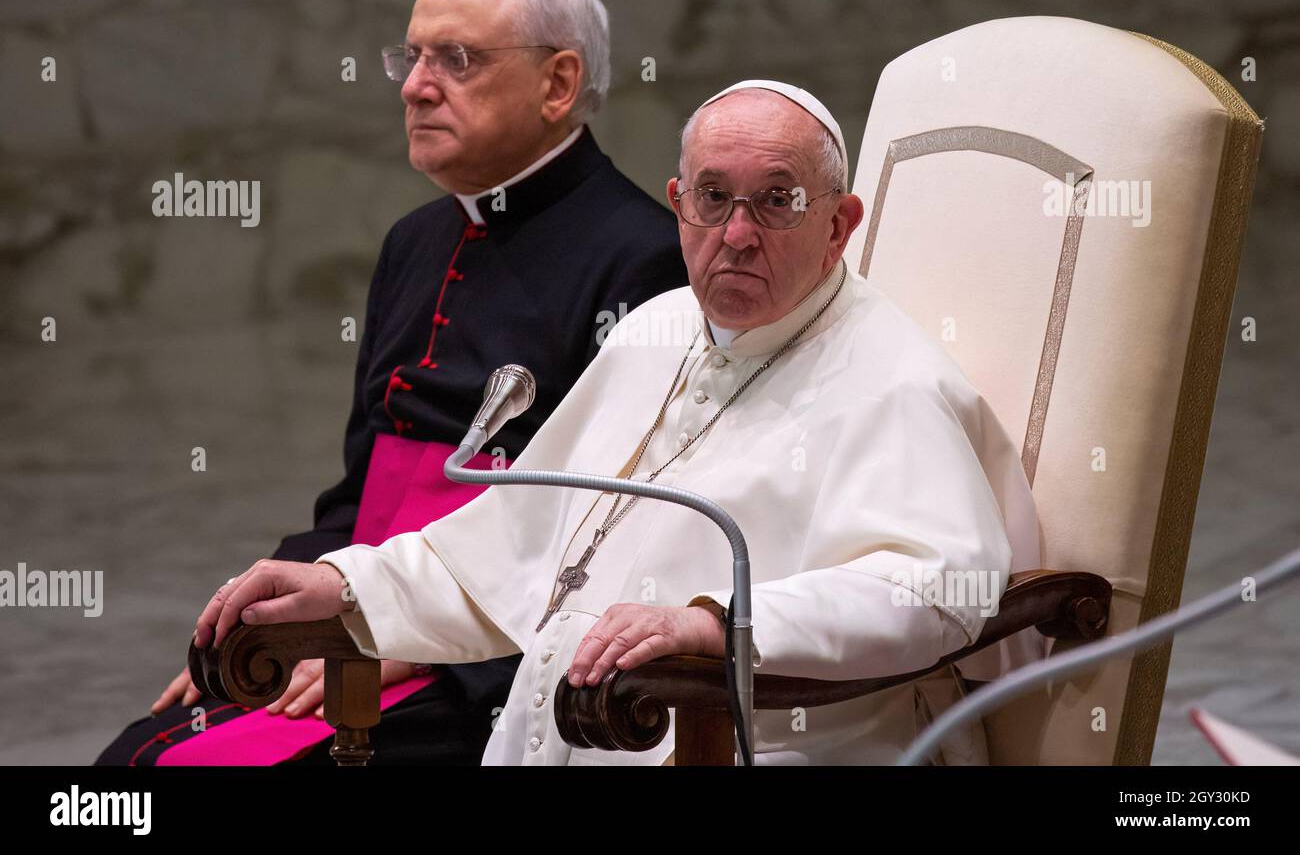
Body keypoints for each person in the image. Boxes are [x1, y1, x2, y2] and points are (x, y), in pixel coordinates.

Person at [193, 80, 1044, 766]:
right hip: (581, 731)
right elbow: (515, 554)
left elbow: (935, 591)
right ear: (678, 204)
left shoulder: (894, 377)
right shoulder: (656, 330)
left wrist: (719, 623)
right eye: (713, 199)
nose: (737, 234)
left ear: (839, 225)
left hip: (787, 741)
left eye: (776, 202)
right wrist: (349, 585)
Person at [96, 0, 686, 766]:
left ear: (557, 84)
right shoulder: (415, 242)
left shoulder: (643, 259)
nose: (414, 85)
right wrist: (261, 620)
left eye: (458, 59)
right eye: (410, 58)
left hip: (483, 665)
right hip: (361, 607)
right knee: (127, 764)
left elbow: (620, 534)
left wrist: (424, 637)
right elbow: (358, 496)